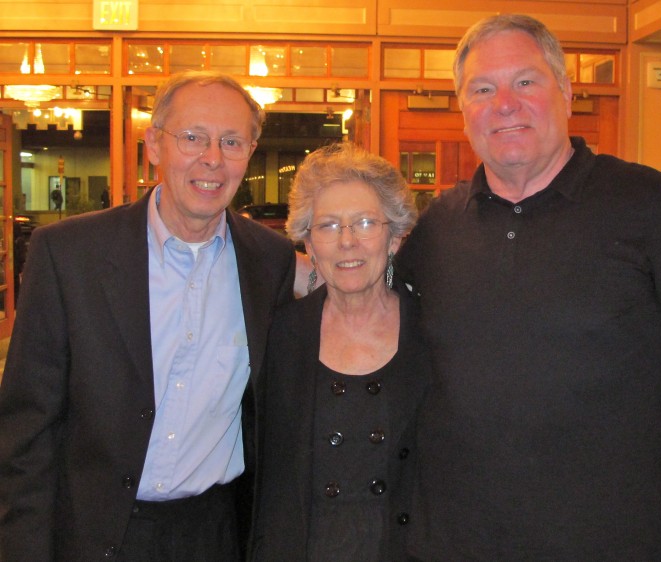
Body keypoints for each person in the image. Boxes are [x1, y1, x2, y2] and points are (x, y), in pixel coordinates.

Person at [394, 14, 661, 561]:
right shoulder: (436, 229)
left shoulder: (648, 204)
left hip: (616, 544)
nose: (505, 103)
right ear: (464, 109)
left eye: (526, 81)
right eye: (482, 89)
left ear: (565, 90)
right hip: (453, 545)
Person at [0, 70, 296, 561]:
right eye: (192, 137)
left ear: (251, 151)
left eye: (231, 141)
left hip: (214, 535)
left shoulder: (271, 261)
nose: (213, 159)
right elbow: (24, 435)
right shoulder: (70, 254)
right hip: (91, 532)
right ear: (154, 144)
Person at [249, 142, 429, 561]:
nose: (347, 242)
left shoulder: (432, 332)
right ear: (309, 245)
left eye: (366, 223)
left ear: (395, 238)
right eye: (328, 226)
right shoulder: (278, 335)